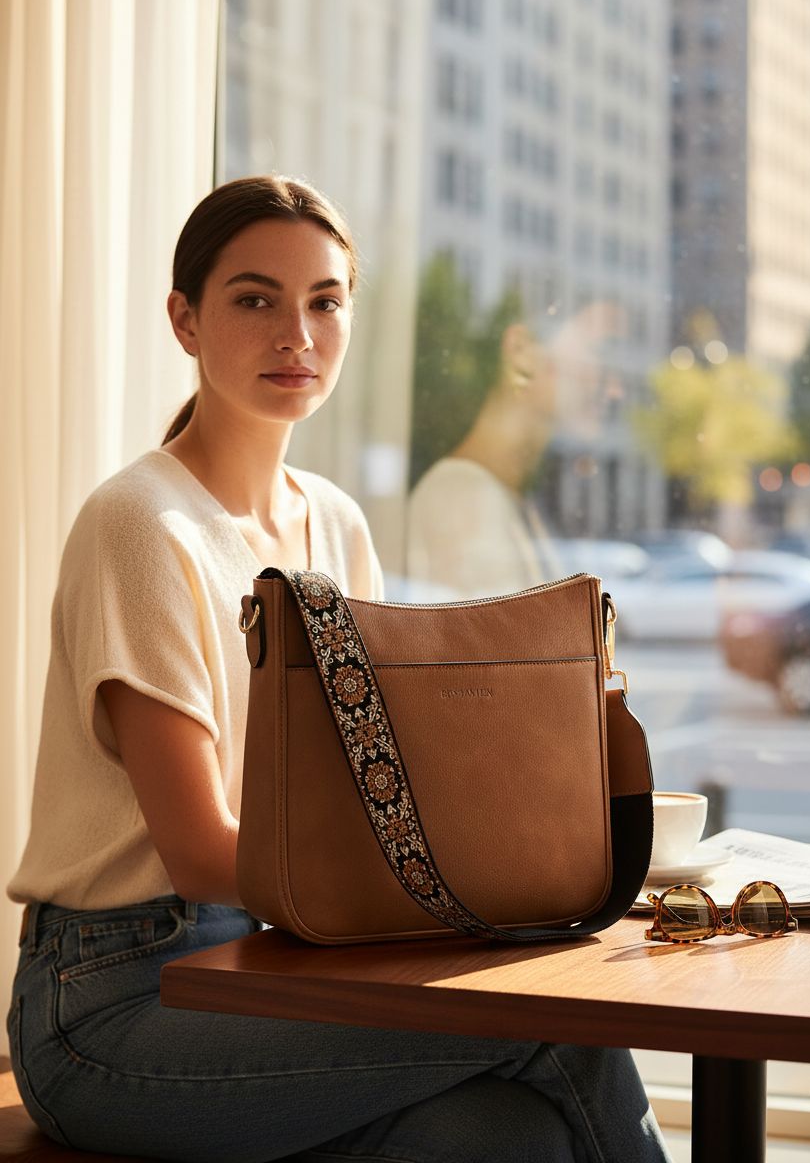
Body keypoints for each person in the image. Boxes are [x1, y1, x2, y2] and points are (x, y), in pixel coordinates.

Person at [6, 175, 670, 1162]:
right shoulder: (141, 524)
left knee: (501, 1134)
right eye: (254, 299)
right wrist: (453, 895)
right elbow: (196, 851)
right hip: (114, 1001)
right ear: (184, 321)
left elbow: (359, 796)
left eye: (324, 301)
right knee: (550, 1017)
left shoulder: (331, 525)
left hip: (279, 957)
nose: (296, 332)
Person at [408, 300, 622, 599]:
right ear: (522, 353)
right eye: (596, 355)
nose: (614, 388)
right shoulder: (462, 495)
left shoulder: (508, 499)